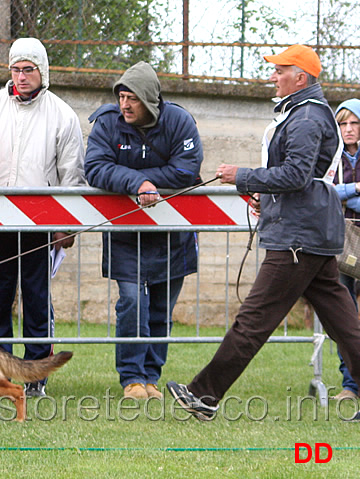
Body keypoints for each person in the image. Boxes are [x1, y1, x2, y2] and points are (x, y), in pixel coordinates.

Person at [166, 44, 360, 422]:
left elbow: (295, 175)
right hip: (309, 232)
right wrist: (262, 194)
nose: (273, 76)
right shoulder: (304, 114)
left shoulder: (305, 117)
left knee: (253, 321)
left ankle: (204, 396)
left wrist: (244, 175)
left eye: (279, 70)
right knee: (346, 327)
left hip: (298, 239)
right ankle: (204, 395)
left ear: (300, 77)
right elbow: (299, 179)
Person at [0, 37, 85, 397]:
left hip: (40, 223)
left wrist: (68, 225)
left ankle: (36, 375)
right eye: (16, 69)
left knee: (36, 301)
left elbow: (72, 172)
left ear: (42, 71)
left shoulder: (62, 115)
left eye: (28, 70)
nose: (21, 77)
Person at [84, 61, 203, 400]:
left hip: (172, 237)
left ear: (150, 99)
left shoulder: (179, 121)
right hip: (125, 235)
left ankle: (151, 377)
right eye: (121, 96)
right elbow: (95, 167)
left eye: (132, 98)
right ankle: (132, 379)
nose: (125, 104)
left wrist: (145, 179)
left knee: (161, 311)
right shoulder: (107, 123)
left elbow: (186, 170)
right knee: (132, 303)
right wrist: (139, 181)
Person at [332, 98, 360, 401]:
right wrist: (353, 189)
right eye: (343, 124)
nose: (348, 130)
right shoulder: (331, 156)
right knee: (344, 317)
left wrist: (345, 199)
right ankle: (350, 385)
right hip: (340, 243)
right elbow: (323, 190)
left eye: (354, 123)